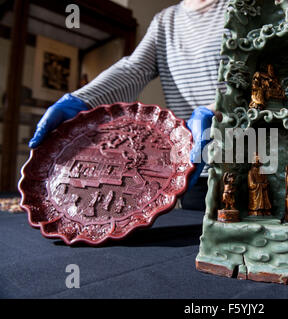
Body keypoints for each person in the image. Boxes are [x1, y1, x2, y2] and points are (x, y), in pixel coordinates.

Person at [28, 0, 228, 190]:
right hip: (193, 170)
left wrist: (217, 110)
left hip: (243, 164)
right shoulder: (166, 21)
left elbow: (257, 76)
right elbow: (135, 69)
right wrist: (82, 100)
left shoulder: (245, 8)